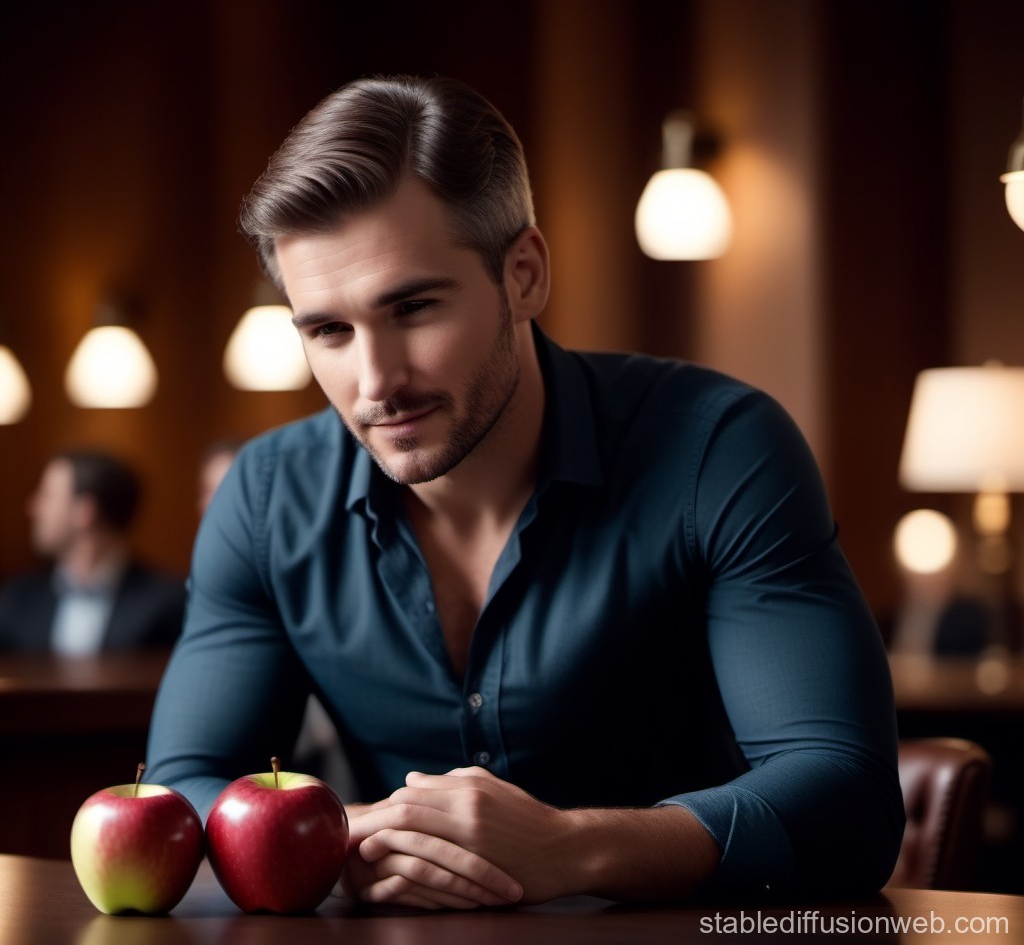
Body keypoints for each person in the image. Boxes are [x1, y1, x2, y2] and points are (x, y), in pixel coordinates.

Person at [147, 75, 904, 908]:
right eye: (328, 329)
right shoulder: (263, 498)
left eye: (414, 308)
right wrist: (354, 839)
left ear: (525, 276)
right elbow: (181, 791)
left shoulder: (718, 450)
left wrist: (572, 848)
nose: (375, 382)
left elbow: (847, 797)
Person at [0, 450, 186, 654]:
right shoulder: (18, 598)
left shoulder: (166, 604)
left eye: (47, 495)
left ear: (85, 511)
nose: (33, 508)